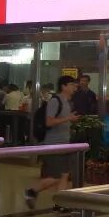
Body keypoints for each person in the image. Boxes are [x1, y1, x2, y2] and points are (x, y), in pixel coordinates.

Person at [25, 75, 81, 206]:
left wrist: (70, 121)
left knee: (65, 175)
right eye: (72, 85)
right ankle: (32, 191)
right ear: (63, 86)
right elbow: (49, 122)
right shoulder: (55, 101)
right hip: (54, 144)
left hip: (64, 144)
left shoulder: (67, 102)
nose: (75, 88)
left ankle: (60, 203)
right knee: (56, 177)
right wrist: (68, 119)